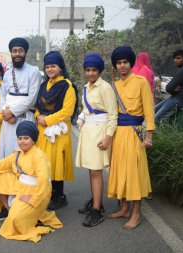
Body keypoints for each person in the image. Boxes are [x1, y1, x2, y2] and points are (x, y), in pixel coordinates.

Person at [0, 121, 62, 242]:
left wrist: (33, 199)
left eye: (26, 138)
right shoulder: (17, 154)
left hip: (36, 192)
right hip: (21, 186)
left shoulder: (39, 156)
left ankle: (28, 214)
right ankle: (10, 209)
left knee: (14, 221)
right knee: (0, 177)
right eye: (20, 138)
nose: (22, 141)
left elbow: (44, 182)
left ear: (33, 140)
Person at [0, 38, 41, 220]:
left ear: (25, 52)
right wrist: (6, 111)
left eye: (20, 50)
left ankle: (21, 202)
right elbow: (2, 94)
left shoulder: (34, 71)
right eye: (14, 51)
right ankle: (7, 202)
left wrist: (13, 112)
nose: (17, 54)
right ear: (11, 53)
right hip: (7, 121)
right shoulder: (7, 73)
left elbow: (32, 97)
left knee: (22, 161)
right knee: (7, 158)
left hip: (23, 119)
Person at [107, 46, 155, 229]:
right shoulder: (114, 85)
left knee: (134, 173)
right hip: (118, 133)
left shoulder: (141, 81)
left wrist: (149, 135)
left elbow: (149, 110)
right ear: (115, 65)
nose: (122, 66)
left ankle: (136, 214)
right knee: (120, 171)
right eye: (118, 63)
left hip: (135, 133)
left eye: (125, 62)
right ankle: (124, 208)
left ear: (131, 63)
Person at [75, 53, 118, 227]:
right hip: (88, 131)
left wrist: (108, 137)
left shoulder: (105, 87)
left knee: (96, 171)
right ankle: (95, 201)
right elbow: (87, 110)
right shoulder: (86, 87)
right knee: (91, 169)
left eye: (94, 70)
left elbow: (113, 114)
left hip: (100, 132)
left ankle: (97, 210)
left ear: (100, 70)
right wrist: (81, 118)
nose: (91, 73)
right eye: (88, 70)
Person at [35, 51, 77, 210]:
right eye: (47, 66)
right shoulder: (43, 85)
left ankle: (59, 196)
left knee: (56, 163)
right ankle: (47, 193)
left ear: (60, 67)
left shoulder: (67, 86)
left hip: (58, 131)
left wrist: (47, 120)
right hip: (42, 129)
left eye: (53, 66)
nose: (50, 69)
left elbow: (68, 111)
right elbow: (38, 105)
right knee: (44, 161)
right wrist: (39, 117)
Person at [154, 49, 183, 122]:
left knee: (155, 118)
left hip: (179, 99)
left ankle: (143, 132)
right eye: (174, 58)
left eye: (178, 58)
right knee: (154, 110)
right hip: (178, 98)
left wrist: (174, 90)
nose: (175, 60)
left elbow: (168, 88)